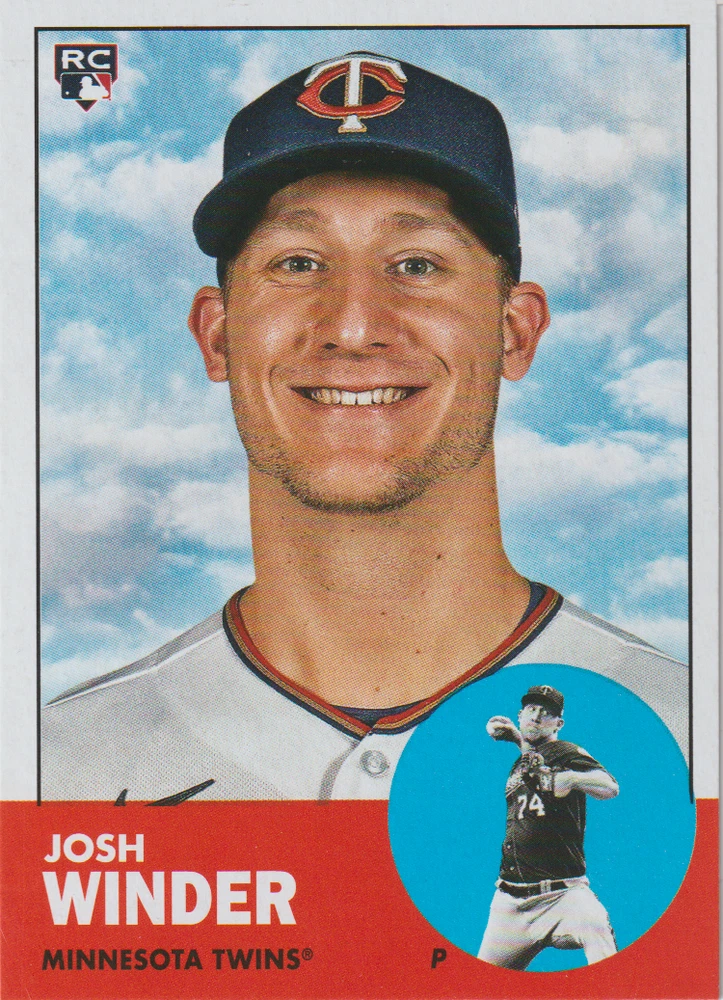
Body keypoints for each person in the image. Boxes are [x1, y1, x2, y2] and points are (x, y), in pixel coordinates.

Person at [42, 52, 687, 802]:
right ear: (217, 336)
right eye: (298, 263)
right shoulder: (54, 772)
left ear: (514, 332)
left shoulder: (687, 741)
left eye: (416, 265)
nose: (352, 326)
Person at [478, 684, 618, 970]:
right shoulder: (523, 760)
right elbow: (535, 762)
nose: (537, 716)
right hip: (509, 904)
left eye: (547, 712)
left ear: (558, 724)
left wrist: (573, 778)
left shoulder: (565, 751)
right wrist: (515, 737)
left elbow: (610, 786)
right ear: (520, 715)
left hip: (561, 897)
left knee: (596, 925)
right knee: (480, 984)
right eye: (531, 709)